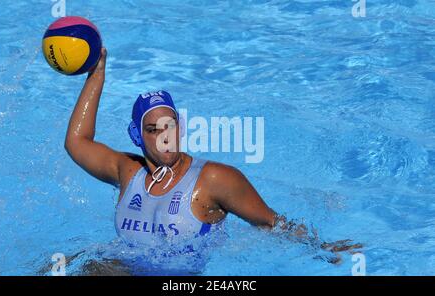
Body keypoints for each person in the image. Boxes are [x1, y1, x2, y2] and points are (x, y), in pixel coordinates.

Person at [64, 48, 361, 272]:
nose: (166, 137)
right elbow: (77, 142)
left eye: (171, 126)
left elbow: (272, 223)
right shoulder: (128, 172)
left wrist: (322, 248)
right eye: (153, 130)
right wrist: (97, 74)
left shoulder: (213, 179)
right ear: (136, 135)